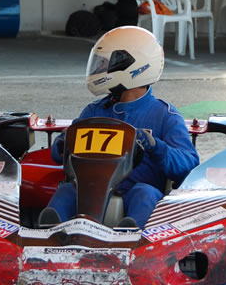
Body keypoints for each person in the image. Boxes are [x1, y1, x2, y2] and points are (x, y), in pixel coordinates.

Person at [39, 26, 199, 229]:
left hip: (135, 191)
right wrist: (62, 144)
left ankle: (133, 237)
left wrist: (156, 147)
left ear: (133, 65)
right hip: (90, 191)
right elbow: (60, 154)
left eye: (106, 64)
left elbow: (189, 165)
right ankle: (49, 234)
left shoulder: (164, 115)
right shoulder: (94, 111)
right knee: (67, 190)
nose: (100, 69)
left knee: (146, 193)